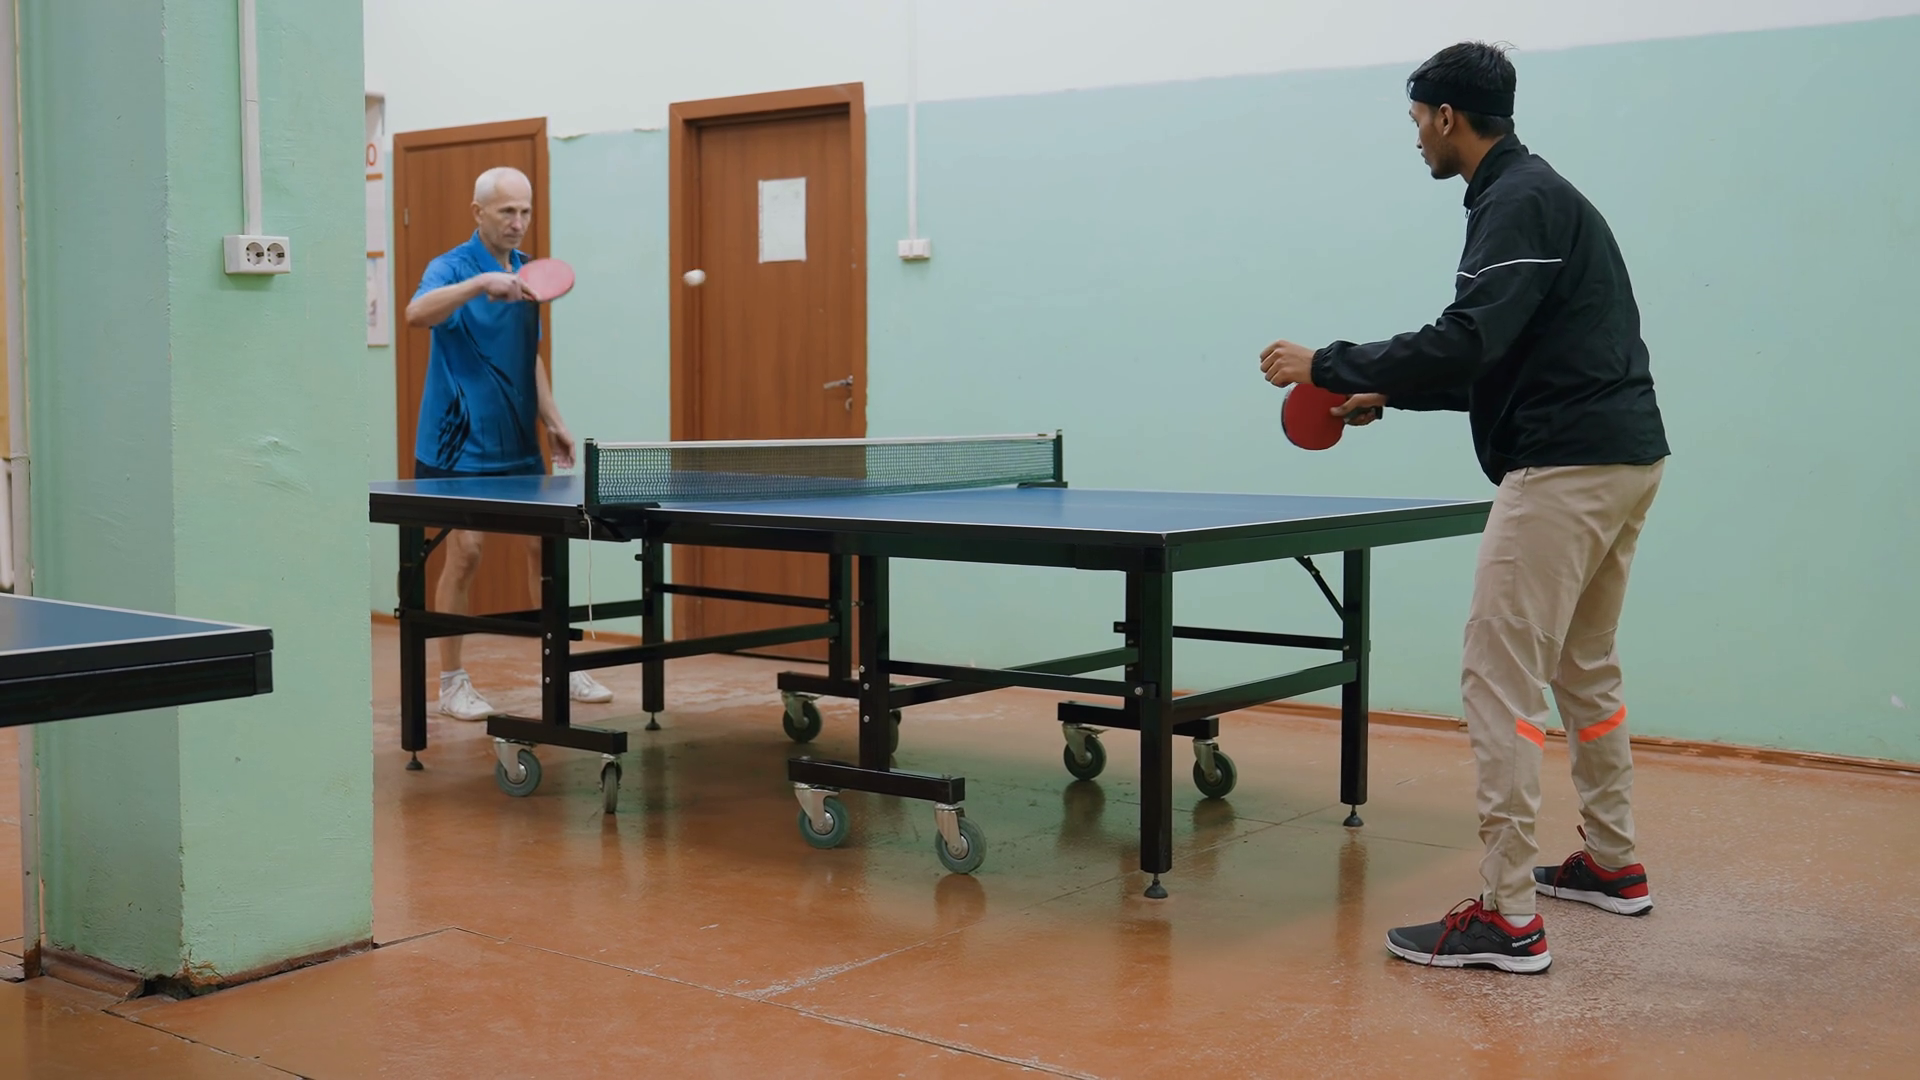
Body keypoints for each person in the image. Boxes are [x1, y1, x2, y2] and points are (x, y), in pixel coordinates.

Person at [1257, 41, 1670, 974]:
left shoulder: (1517, 199)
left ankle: (1508, 915)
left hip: (1564, 468)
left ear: (1448, 117)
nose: (1415, 139)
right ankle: (1612, 863)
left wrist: (1328, 363)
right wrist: (1388, 393)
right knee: (1584, 669)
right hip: (1625, 457)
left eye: (1417, 121)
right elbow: (1507, 354)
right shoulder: (1537, 195)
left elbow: (1467, 338)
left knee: (1499, 680)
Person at [404, 165, 612, 720]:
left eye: (525, 211)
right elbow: (415, 314)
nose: (518, 222)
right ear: (479, 213)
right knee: (466, 553)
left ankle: (560, 664)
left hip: (517, 440)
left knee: (545, 549)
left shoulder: (530, 274)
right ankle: (451, 683)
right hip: (455, 441)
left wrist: (554, 419)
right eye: (506, 212)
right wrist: (478, 285)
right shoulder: (451, 267)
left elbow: (528, 355)